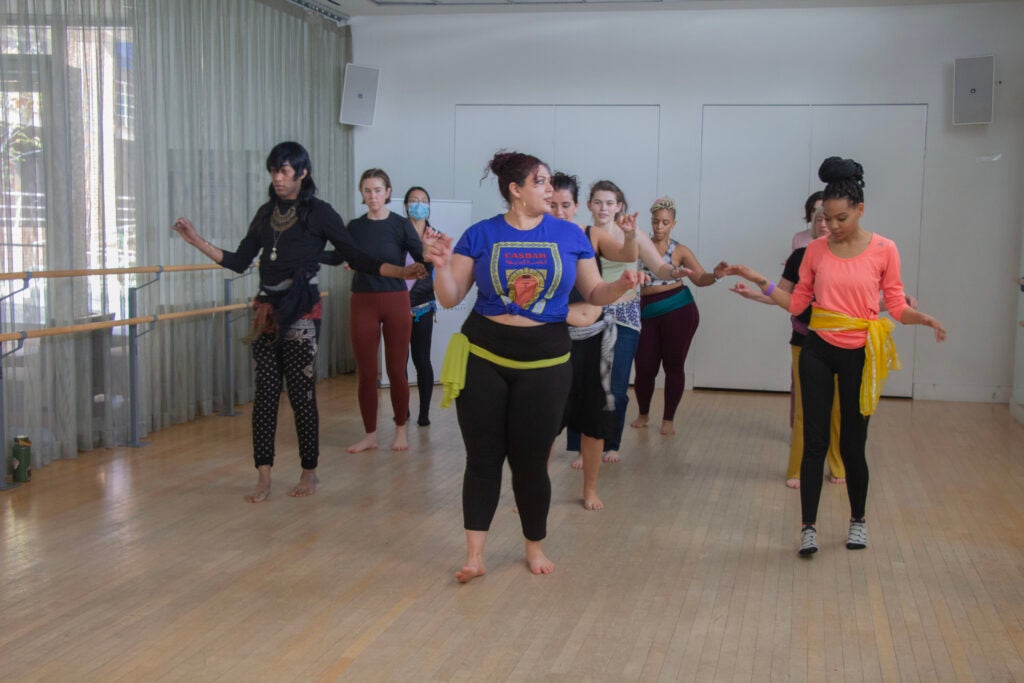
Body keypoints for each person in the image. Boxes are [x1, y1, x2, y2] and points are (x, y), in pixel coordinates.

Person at [427, 152, 645, 582]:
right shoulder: (481, 234)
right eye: (541, 182)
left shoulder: (569, 234)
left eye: (549, 182)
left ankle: (534, 546)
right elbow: (451, 297)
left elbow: (595, 291)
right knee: (483, 458)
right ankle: (474, 555)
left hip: (546, 359)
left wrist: (621, 283)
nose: (551, 190)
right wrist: (438, 267)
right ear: (516, 190)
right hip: (484, 355)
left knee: (530, 461)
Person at [172, 142, 425, 503]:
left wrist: (402, 271)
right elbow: (239, 261)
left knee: (302, 396)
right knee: (264, 396)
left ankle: (310, 472)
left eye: (285, 171)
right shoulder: (264, 214)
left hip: (303, 313)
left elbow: (355, 257)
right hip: (267, 314)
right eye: (274, 170)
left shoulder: (320, 214)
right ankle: (263, 476)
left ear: (302, 173)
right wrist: (196, 240)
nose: (278, 177)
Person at [725, 156, 946, 556]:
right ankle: (808, 526)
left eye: (841, 218)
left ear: (860, 210)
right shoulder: (816, 252)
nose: (833, 226)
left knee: (852, 446)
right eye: (827, 218)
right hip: (818, 351)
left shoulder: (884, 249)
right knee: (813, 441)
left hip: (860, 353)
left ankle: (857, 521)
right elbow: (797, 305)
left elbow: (895, 304)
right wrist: (759, 280)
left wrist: (923, 318)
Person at [731, 204, 846, 488]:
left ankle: (837, 464)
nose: (824, 224)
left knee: (838, 409)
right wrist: (754, 295)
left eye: (830, 219)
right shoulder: (799, 256)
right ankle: (798, 468)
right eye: (819, 218)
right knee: (805, 409)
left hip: (841, 341)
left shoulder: (848, 256)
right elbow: (783, 296)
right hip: (805, 341)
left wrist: (898, 303)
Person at [324, 169, 425, 454]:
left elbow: (421, 259)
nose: (373, 196)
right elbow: (337, 256)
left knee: (396, 370)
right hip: (363, 301)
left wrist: (430, 262)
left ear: (388, 192)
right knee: (367, 372)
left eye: (378, 190)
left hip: (395, 300)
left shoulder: (400, 225)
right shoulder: (354, 227)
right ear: (362, 194)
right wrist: (308, 251)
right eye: (367, 191)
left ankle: (401, 430)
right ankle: (369, 435)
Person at [629, 197, 726, 436]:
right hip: (647, 311)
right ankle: (643, 413)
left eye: (665, 222)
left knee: (674, 365)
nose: (659, 227)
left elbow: (700, 278)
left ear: (673, 224)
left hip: (679, 310)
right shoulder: (641, 246)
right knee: (644, 367)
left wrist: (715, 275)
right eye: (655, 221)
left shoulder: (680, 250)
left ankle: (668, 418)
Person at [404, 186, 439, 426]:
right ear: (406, 206)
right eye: (414, 200)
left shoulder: (435, 237)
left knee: (422, 360)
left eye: (423, 200)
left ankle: (424, 412)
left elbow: (431, 273)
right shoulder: (396, 233)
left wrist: (413, 297)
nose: (419, 204)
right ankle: (402, 410)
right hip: (394, 306)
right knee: (398, 362)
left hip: (422, 307)